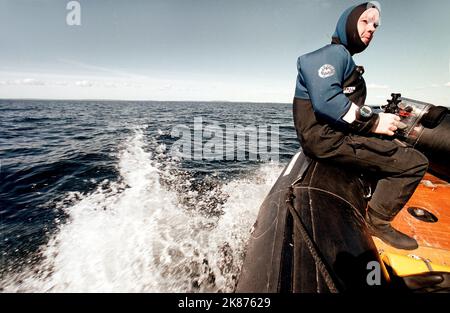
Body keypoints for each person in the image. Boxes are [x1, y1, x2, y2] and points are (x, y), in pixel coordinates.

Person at [293, 1, 429, 250]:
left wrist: (380, 118)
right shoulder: (330, 55)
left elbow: (348, 106)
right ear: (347, 23)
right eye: (365, 21)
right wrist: (375, 121)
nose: (372, 28)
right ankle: (378, 221)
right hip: (326, 140)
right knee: (414, 163)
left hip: (333, 135)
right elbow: (328, 102)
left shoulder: (343, 59)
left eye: (375, 24)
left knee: (394, 142)